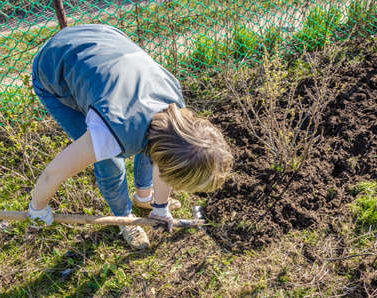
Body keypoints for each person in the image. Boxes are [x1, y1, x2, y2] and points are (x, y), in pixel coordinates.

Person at [28, 24, 232, 249]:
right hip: (56, 63)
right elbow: (52, 174)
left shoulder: (174, 113)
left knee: (151, 142)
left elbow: (160, 158)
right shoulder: (109, 133)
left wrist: (160, 207)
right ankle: (124, 219)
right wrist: (38, 209)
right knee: (109, 162)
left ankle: (144, 197)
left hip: (104, 42)